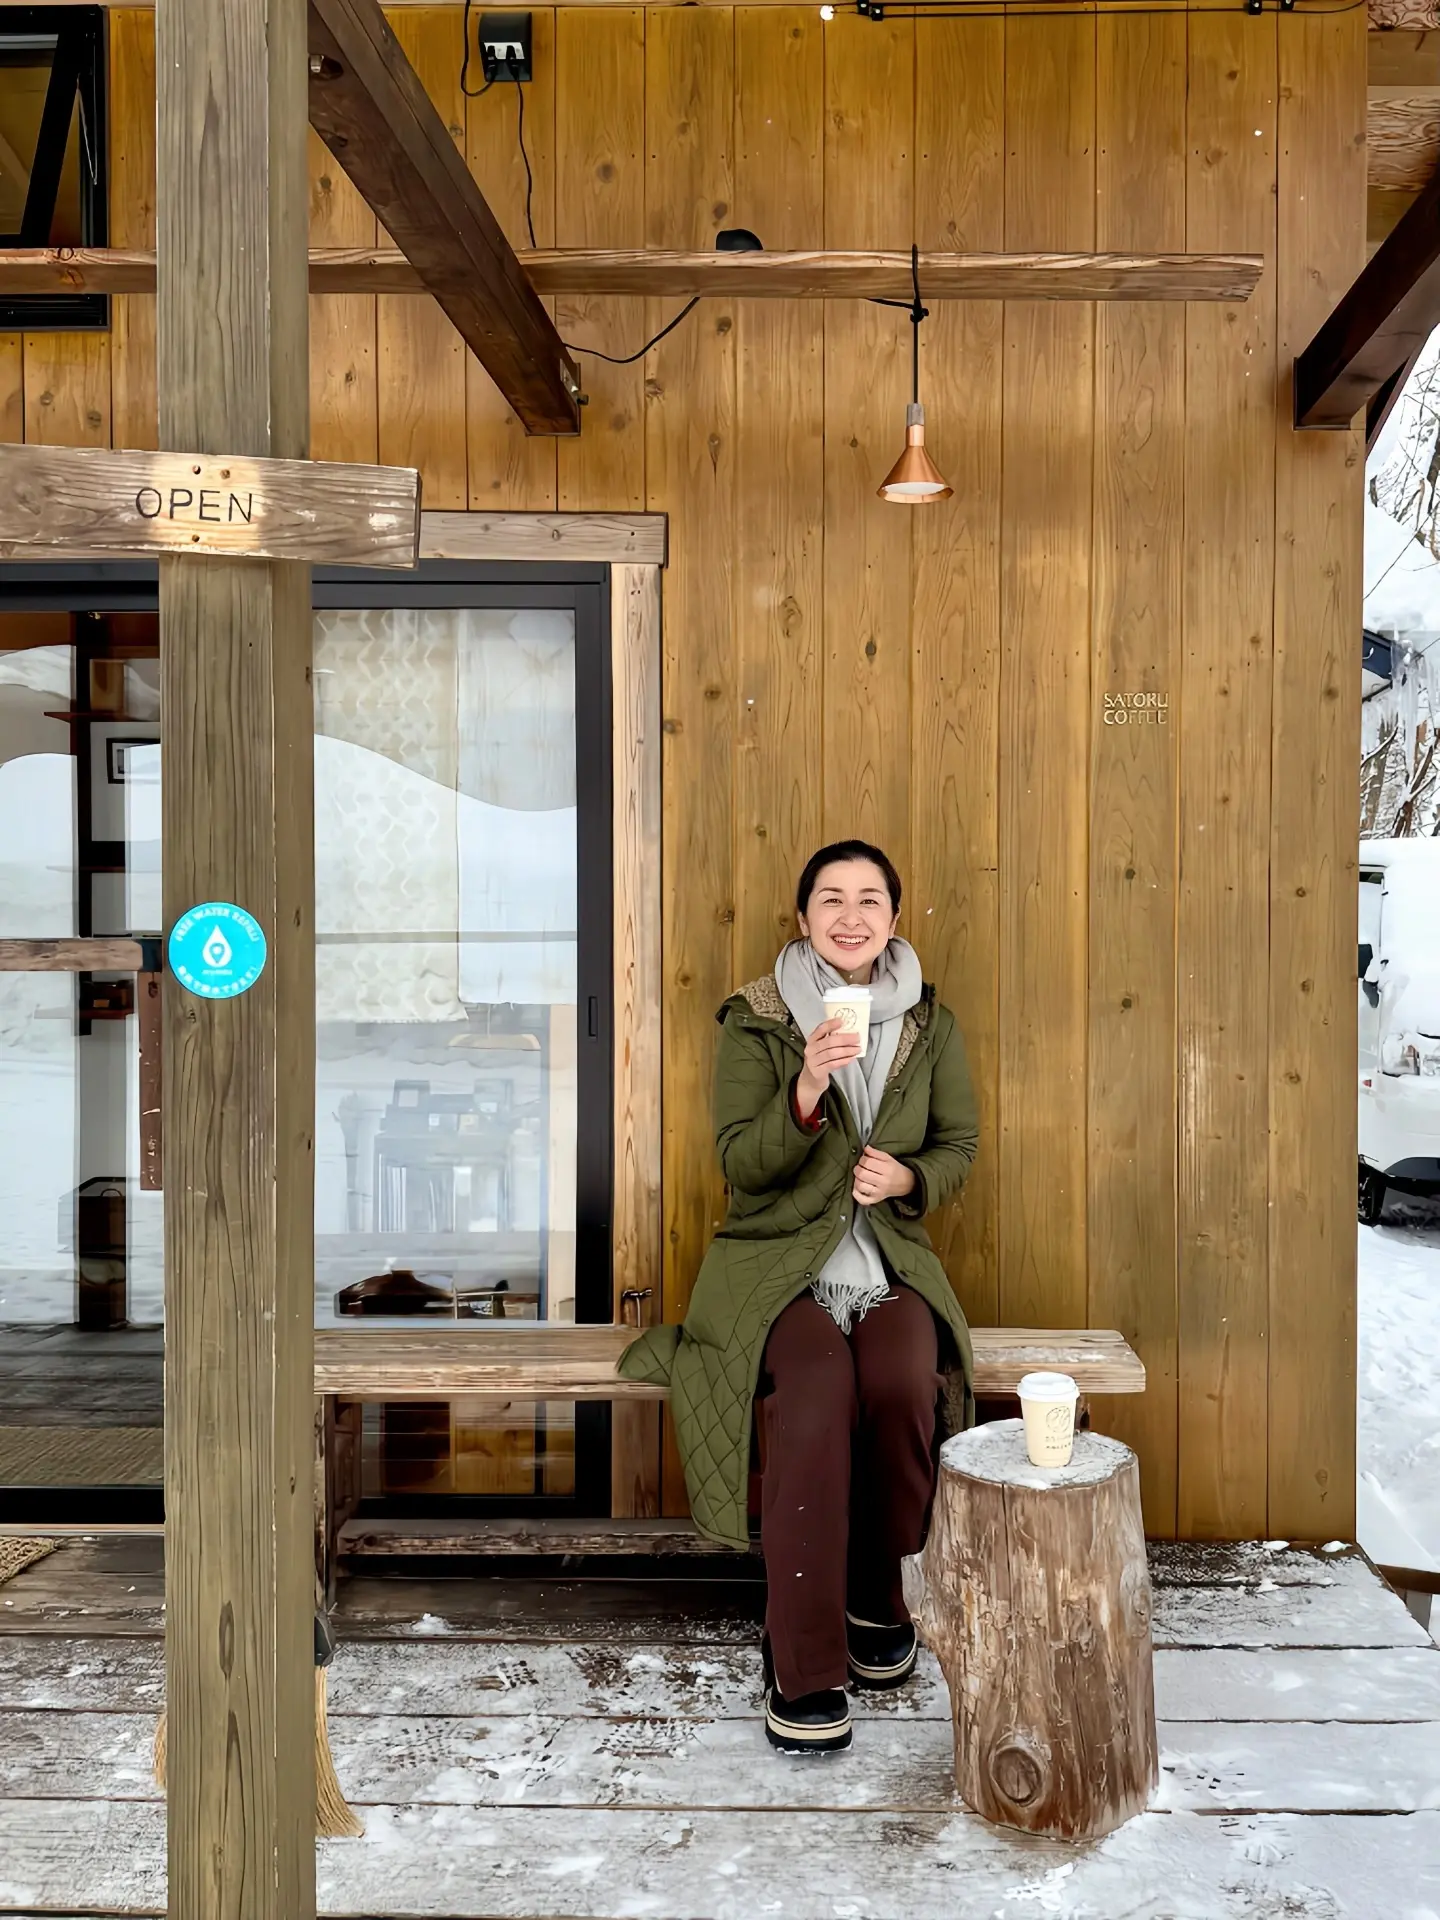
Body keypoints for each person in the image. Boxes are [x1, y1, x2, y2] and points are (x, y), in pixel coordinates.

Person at [620, 839, 978, 1753]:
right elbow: (742, 1164)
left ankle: (872, 1594)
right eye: (831, 899)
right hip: (777, 1265)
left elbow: (959, 1148)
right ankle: (804, 1654)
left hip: (886, 1263)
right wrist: (809, 1085)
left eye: (869, 900)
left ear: (894, 918)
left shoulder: (932, 1025)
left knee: (902, 1385)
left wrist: (908, 1181)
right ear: (804, 916)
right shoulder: (756, 1019)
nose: (850, 916)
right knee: (815, 1399)